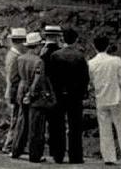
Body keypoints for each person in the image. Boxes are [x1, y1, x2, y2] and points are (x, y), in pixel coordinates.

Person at [11, 32, 56, 163]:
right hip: (33, 95)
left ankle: (16, 149)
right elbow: (38, 81)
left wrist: (19, 93)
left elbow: (13, 78)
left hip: (21, 89)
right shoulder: (38, 61)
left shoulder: (19, 59)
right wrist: (30, 95)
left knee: (21, 122)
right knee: (36, 126)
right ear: (37, 46)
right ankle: (35, 154)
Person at [47, 26, 89, 164]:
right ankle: (75, 156)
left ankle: (58, 154)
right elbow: (85, 78)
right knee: (75, 126)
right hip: (75, 95)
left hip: (59, 94)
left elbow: (51, 77)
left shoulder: (55, 56)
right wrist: (83, 93)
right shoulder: (80, 57)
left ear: (62, 39)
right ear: (76, 40)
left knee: (58, 125)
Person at [89, 35, 121, 166]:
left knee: (104, 129)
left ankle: (109, 157)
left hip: (101, 99)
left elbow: (91, 82)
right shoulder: (116, 60)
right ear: (108, 46)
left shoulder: (91, 63)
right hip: (117, 98)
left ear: (94, 47)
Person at [2, 27, 26, 153]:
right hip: (14, 91)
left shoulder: (14, 55)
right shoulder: (14, 57)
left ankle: (10, 144)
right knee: (16, 118)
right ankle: (9, 145)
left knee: (16, 118)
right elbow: (12, 78)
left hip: (13, 90)